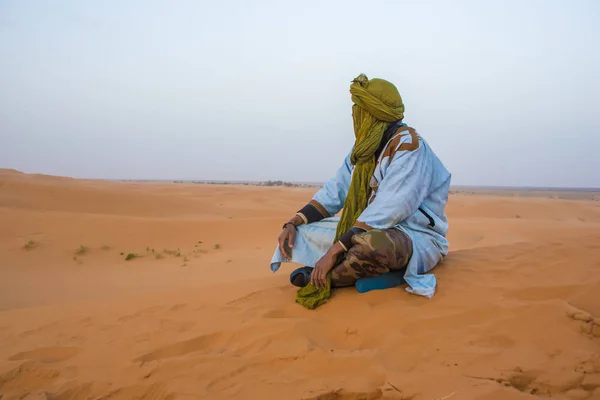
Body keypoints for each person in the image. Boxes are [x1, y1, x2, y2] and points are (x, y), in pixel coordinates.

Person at [270, 74, 451, 309]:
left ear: (374, 114)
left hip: (414, 236)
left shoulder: (410, 147)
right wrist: (293, 223)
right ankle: (346, 267)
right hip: (365, 226)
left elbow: (390, 209)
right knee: (306, 231)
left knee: (370, 244)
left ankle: (327, 277)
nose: (355, 116)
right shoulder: (363, 150)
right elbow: (335, 192)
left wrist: (335, 250)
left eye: (360, 110)